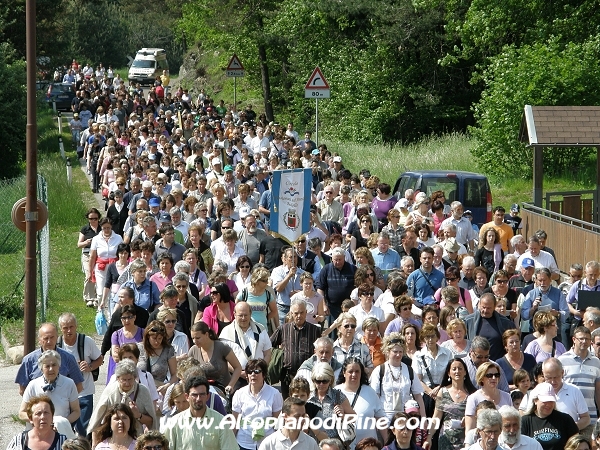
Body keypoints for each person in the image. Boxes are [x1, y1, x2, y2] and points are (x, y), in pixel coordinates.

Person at [57, 313, 103, 436]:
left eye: (71, 327)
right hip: (63, 393)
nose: (69, 330)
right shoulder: (57, 344)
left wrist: (90, 367)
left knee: (84, 428)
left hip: (85, 391)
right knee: (65, 428)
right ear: (60, 328)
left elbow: (100, 359)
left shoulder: (87, 341)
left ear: (76, 326)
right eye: (65, 328)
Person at [163, 375, 238, 449]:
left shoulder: (220, 422)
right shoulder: (174, 423)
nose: (198, 399)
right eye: (194, 395)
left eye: (202, 394)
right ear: (187, 397)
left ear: (208, 396)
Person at [88, 360, 157, 439]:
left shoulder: (143, 391)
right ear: (118, 378)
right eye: (124, 380)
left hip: (136, 437)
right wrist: (93, 438)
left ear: (135, 377)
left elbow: (152, 421)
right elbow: (97, 416)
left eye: (130, 379)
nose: (127, 383)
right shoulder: (110, 391)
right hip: (113, 437)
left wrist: (138, 415)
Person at [16, 323, 84, 396]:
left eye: (52, 337)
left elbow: (78, 386)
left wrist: (64, 400)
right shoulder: (28, 360)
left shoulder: (68, 358)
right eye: (46, 338)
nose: (49, 341)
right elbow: (22, 390)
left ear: (57, 337)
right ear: (39, 340)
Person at [369, 332, 426, 421]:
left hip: (405, 417)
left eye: (400, 352)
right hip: (384, 418)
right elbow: (374, 398)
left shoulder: (409, 370)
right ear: (388, 351)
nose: (398, 355)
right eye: (395, 352)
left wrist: (423, 418)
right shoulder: (379, 370)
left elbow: (418, 395)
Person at [19, 350, 80, 431]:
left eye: (54, 365)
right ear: (41, 368)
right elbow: (21, 413)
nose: (51, 369)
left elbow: (76, 411)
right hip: (37, 432)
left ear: (59, 366)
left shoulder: (69, 383)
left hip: (61, 432)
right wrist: (37, 421)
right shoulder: (33, 385)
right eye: (47, 366)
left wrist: (62, 424)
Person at [558, 325, 600, 439]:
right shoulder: (562, 360)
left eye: (587, 339)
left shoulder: (596, 362)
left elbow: (598, 391)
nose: (584, 341)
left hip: (590, 418)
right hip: (568, 417)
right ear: (573, 339)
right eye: (581, 338)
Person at [232, 358, 283, 450]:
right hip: (244, 442)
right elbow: (235, 422)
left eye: (257, 371)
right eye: (250, 372)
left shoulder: (274, 394)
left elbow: (277, 422)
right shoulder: (239, 394)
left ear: (264, 374)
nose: (253, 374)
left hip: (267, 442)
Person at [335, 356, 387, 447]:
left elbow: (380, 419)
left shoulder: (370, 392)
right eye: (350, 371)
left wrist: (388, 442)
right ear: (344, 373)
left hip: (368, 446)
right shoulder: (335, 392)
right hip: (343, 446)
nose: (354, 374)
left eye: (357, 371)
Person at [306, 362, 356, 443]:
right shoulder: (307, 396)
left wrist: (343, 415)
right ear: (313, 380)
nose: (321, 384)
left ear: (331, 380)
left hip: (334, 444)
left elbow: (354, 417)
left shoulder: (338, 396)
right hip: (312, 444)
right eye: (318, 381)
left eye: (325, 381)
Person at [521, 382, 579, 450]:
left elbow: (576, 444)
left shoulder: (565, 419)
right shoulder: (525, 421)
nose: (548, 405)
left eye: (551, 401)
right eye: (545, 401)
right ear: (535, 400)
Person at [188, 321, 242, 393]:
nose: (194, 341)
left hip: (223, 391)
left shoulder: (222, 347)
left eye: (198, 338)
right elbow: (187, 372)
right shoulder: (193, 350)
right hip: (202, 393)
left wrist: (231, 385)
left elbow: (238, 367)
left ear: (206, 334)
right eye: (193, 338)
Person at [413, 323, 454, 417]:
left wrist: (440, 388)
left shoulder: (447, 353)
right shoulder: (418, 355)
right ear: (423, 339)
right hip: (426, 395)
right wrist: (431, 393)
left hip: (444, 391)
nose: (430, 340)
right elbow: (418, 380)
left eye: (432, 336)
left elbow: (450, 376)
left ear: (437, 337)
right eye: (427, 337)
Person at [464, 293, 517, 360]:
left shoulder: (505, 323)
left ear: (494, 306)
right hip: (476, 363)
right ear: (479, 305)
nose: (485, 311)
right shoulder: (469, 321)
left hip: (497, 363)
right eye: (483, 307)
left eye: (489, 308)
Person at [220, 301, 273, 368]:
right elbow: (222, 359)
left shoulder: (261, 329)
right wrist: (239, 372)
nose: (243, 318)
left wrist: (260, 369)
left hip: (258, 374)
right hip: (236, 376)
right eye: (240, 315)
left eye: (246, 315)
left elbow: (268, 353)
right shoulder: (226, 333)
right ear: (234, 314)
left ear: (250, 314)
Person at [464, 361, 513, 433]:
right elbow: (469, 429)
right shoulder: (473, 398)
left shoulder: (507, 396)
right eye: (489, 375)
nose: (494, 378)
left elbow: (511, 421)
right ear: (481, 377)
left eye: (497, 375)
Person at [89, 218, 124, 308]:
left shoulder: (118, 238)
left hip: (114, 267)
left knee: (113, 290)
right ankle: (101, 310)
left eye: (108, 228)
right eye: (104, 228)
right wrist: (90, 271)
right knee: (100, 291)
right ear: (101, 227)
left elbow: (123, 252)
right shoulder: (96, 239)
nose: (107, 230)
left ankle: (111, 310)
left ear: (111, 227)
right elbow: (92, 256)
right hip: (101, 268)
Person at [137, 320, 178, 394]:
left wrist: (167, 385)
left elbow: (175, 374)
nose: (157, 342)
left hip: (158, 391)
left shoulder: (168, 350)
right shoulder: (138, 348)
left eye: (160, 338)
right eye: (154, 338)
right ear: (148, 337)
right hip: (140, 390)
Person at [317, 247, 357, 322]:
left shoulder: (352, 269)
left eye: (340, 259)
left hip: (349, 308)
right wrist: (324, 305)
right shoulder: (326, 269)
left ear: (344, 258)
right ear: (332, 258)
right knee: (333, 331)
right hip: (332, 309)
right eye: (336, 260)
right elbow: (320, 289)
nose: (338, 262)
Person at [78, 208, 101, 307]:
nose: (93, 221)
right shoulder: (85, 229)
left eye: (95, 218)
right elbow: (79, 244)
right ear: (88, 219)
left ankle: (96, 297)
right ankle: (88, 297)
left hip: (99, 254)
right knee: (89, 274)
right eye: (91, 218)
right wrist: (86, 242)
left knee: (97, 274)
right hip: (87, 254)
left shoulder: (102, 229)